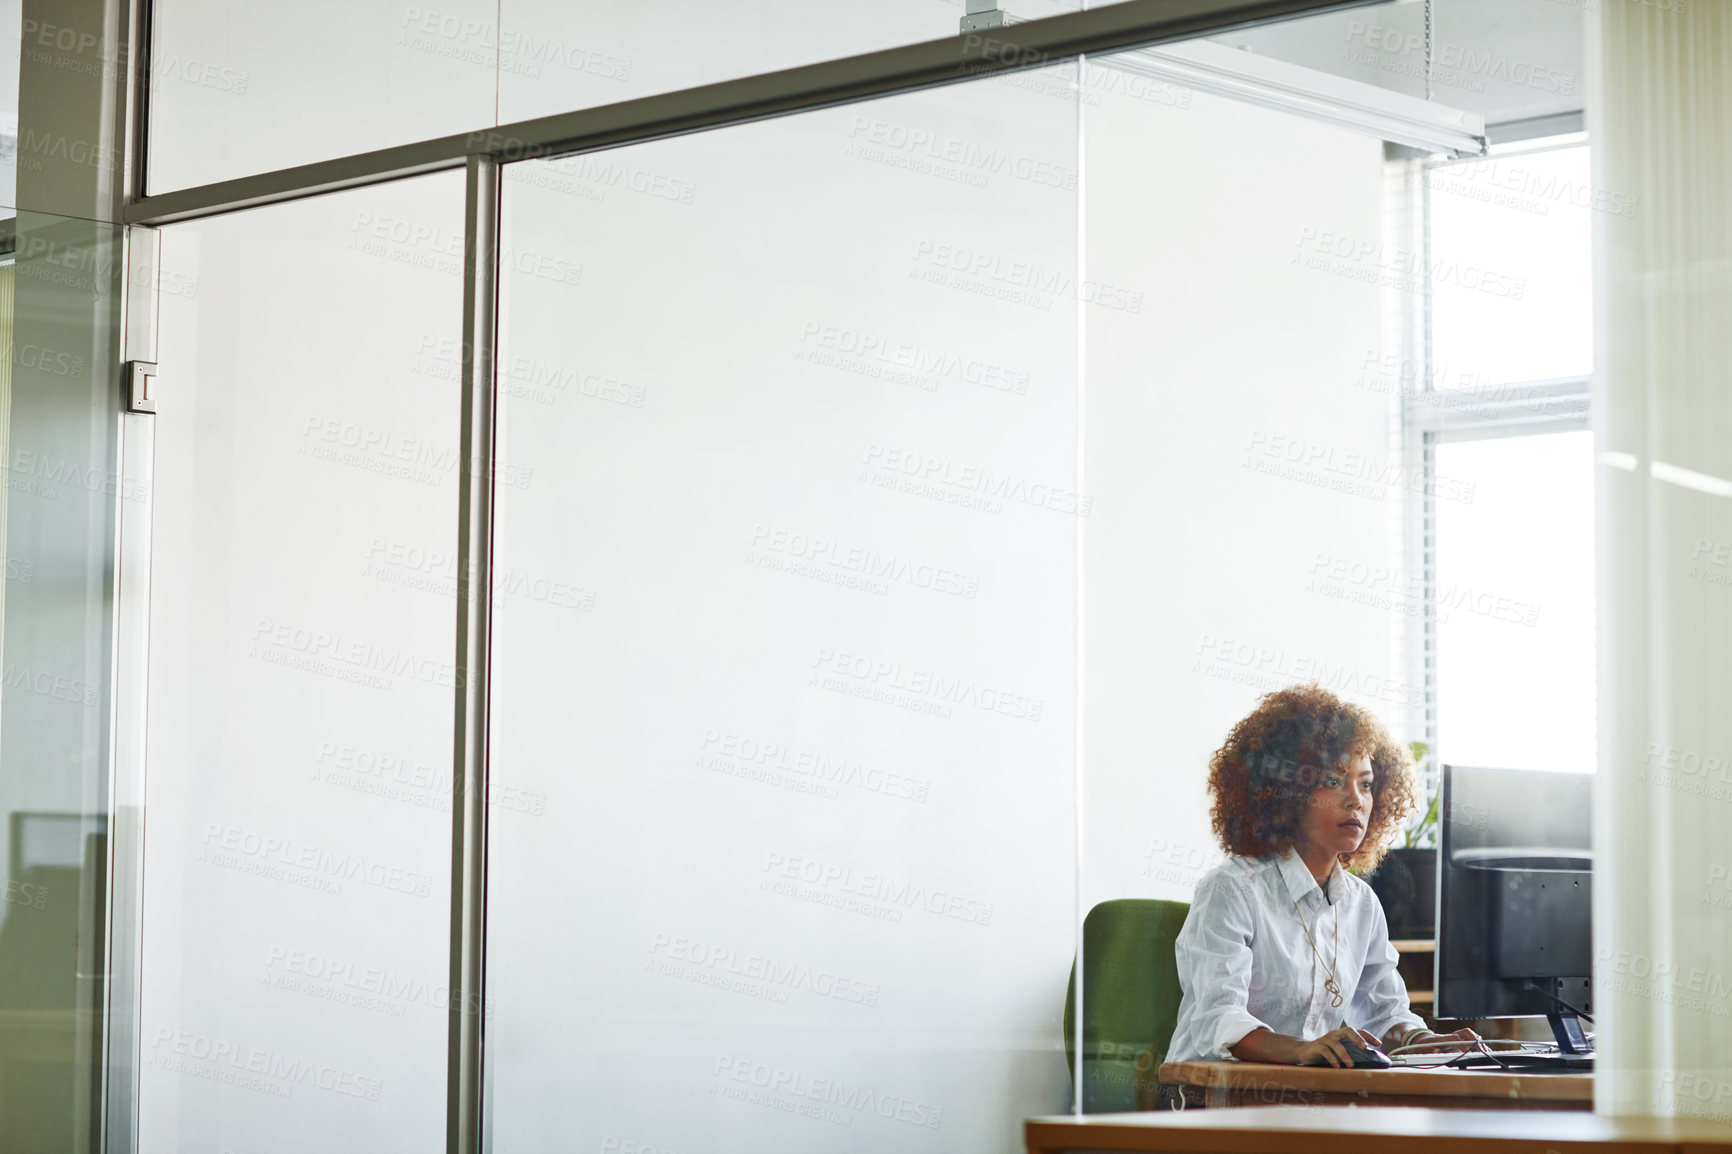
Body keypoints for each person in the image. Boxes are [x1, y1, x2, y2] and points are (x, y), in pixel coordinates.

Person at [1164, 683, 1485, 1081]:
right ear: (1286, 793)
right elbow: (1218, 1018)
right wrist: (1304, 1050)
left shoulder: (1361, 903)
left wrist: (1426, 1040)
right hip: (1210, 1095)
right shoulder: (1232, 889)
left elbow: (1386, 1011)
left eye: (1365, 784)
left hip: (1308, 1092)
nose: (1356, 800)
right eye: (1334, 782)